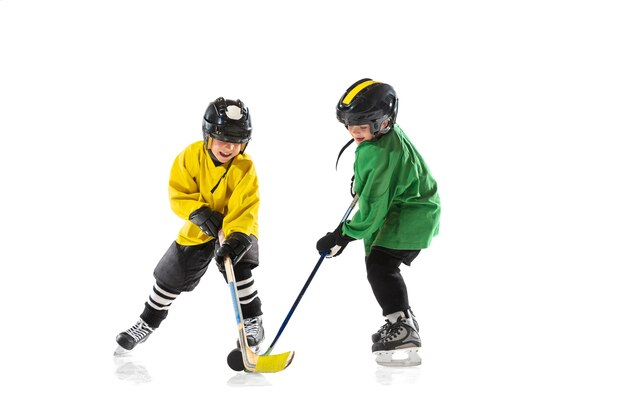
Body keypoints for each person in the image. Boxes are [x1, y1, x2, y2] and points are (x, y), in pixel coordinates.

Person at [116, 97, 265, 353]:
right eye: (222, 139)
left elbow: (246, 206)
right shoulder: (190, 156)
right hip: (198, 229)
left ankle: (253, 322)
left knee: (239, 269)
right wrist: (198, 212)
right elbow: (178, 193)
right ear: (208, 136)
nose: (228, 147)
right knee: (169, 276)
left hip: (235, 229)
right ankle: (146, 322)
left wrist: (236, 236)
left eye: (236, 141)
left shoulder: (245, 167)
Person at [316, 78, 440, 364]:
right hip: (408, 209)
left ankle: (403, 327)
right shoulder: (381, 139)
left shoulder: (380, 153)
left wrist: (342, 236)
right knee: (379, 263)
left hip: (413, 213)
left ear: (384, 122)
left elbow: (372, 210)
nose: (354, 132)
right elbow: (378, 185)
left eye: (362, 126)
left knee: (380, 266)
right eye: (349, 125)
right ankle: (402, 320)